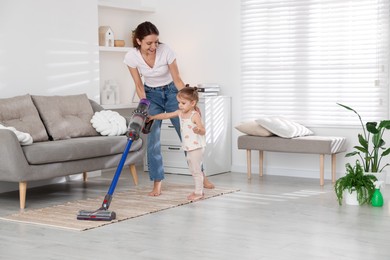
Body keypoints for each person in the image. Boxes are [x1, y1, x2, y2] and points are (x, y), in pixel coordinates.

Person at [123, 21, 214, 196]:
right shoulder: (131, 57)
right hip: (151, 96)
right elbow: (138, 84)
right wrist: (144, 105)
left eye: (156, 42)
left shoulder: (166, 51)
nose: (154, 46)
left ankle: (202, 176)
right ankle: (157, 182)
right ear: (138, 41)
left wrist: (191, 103)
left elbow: (178, 79)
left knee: (188, 135)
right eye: (149, 43)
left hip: (173, 92)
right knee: (153, 139)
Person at [148, 87, 206, 200]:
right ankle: (198, 191)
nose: (180, 105)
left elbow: (203, 130)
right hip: (189, 147)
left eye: (183, 103)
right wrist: (153, 117)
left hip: (196, 147)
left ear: (193, 103)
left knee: (196, 171)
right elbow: (166, 115)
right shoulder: (180, 113)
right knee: (193, 170)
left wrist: (198, 130)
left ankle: (199, 193)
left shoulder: (195, 115)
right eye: (179, 102)